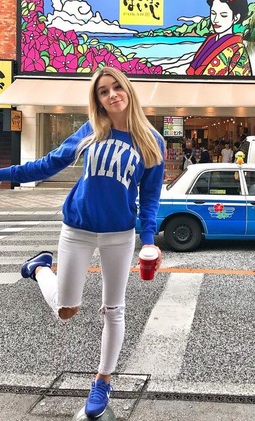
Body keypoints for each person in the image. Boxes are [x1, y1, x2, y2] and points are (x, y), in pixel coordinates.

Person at [0, 67, 164, 419]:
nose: (112, 95)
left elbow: (150, 198)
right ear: (98, 100)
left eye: (117, 87)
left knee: (114, 309)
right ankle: (40, 268)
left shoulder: (152, 141)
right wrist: (4, 174)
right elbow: (47, 165)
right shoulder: (92, 130)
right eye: (103, 91)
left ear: (128, 90)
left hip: (119, 234)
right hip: (77, 228)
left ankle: (102, 381)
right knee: (66, 310)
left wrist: (149, 241)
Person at [186, 0, 252, 76]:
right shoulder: (210, 39)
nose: (216, 20)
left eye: (223, 15)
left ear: (236, 18)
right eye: (213, 13)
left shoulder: (238, 49)